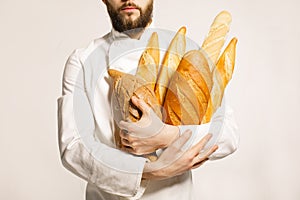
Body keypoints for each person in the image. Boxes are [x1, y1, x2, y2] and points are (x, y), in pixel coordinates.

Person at [57, 0, 239, 199]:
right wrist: (152, 170)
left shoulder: (186, 53)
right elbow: (73, 148)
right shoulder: (82, 61)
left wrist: (168, 135)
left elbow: (228, 135)